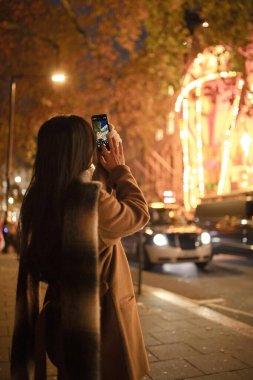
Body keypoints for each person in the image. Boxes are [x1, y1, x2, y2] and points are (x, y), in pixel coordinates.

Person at [11, 115, 150, 380]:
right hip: (99, 328)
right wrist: (119, 168)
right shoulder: (90, 202)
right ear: (80, 150)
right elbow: (138, 213)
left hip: (62, 324)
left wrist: (101, 173)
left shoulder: (37, 200)